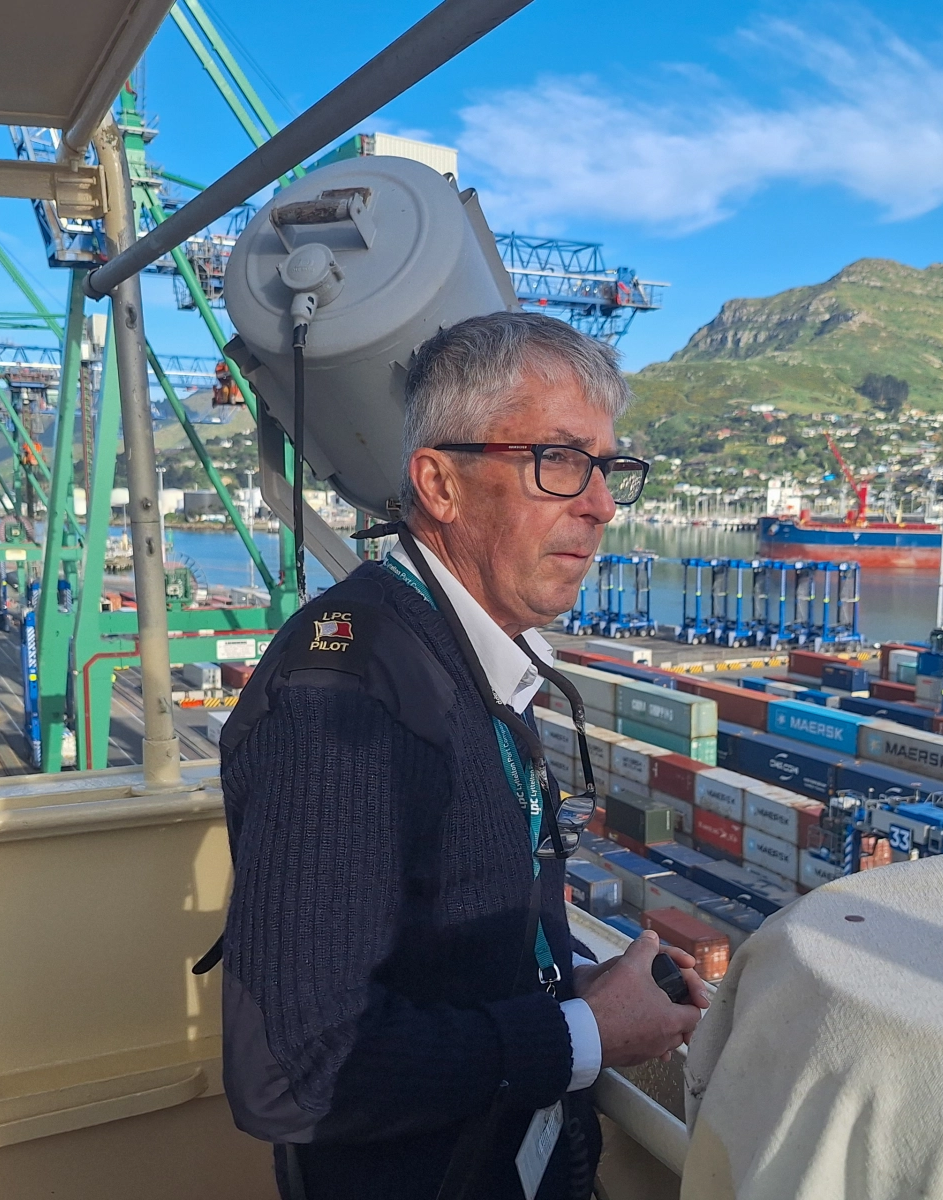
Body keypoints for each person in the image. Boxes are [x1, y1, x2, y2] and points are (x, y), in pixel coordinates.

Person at [216, 311, 707, 1200]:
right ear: (439, 484)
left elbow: (433, 946)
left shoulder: (461, 655)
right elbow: (293, 1069)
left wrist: (581, 986)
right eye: (559, 461)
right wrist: (586, 1035)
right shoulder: (344, 700)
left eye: (608, 468)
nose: (600, 504)